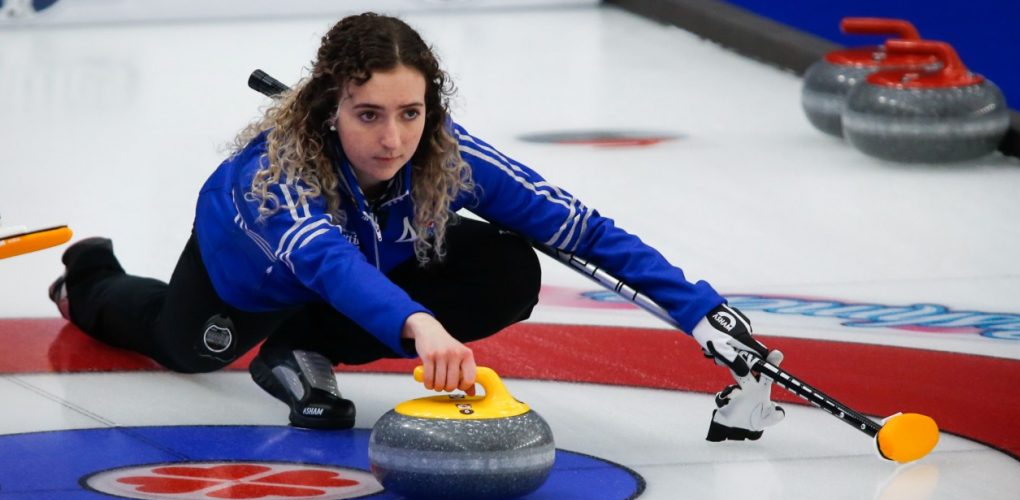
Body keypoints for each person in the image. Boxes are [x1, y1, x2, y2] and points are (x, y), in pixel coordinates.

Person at [49, 12, 785, 440]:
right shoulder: (276, 176)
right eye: (368, 115)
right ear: (330, 106)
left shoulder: (444, 156)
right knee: (185, 349)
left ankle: (299, 351)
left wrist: (699, 309)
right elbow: (330, 266)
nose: (393, 140)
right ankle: (88, 278)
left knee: (508, 264)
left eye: (411, 113)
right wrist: (422, 328)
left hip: (372, 271)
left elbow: (579, 227)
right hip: (251, 276)